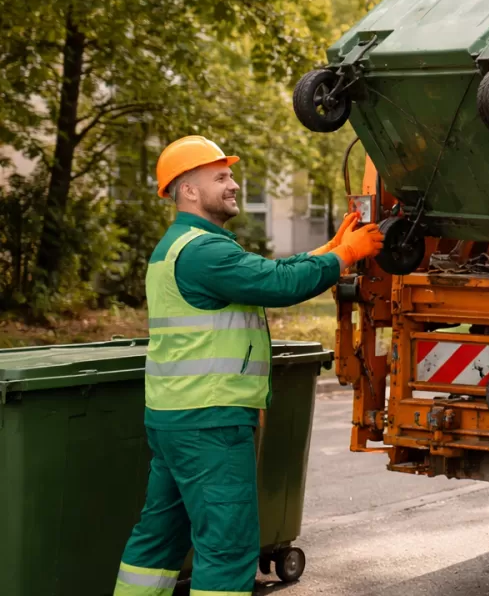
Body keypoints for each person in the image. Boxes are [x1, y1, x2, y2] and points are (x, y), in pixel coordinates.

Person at [114, 136, 384, 596]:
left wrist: (328, 250)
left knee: (159, 539)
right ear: (189, 191)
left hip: (175, 417)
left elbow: (259, 275)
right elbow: (277, 284)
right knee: (228, 547)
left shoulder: (179, 247)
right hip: (210, 422)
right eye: (221, 177)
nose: (234, 184)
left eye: (231, 175)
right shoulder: (203, 251)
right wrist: (348, 255)